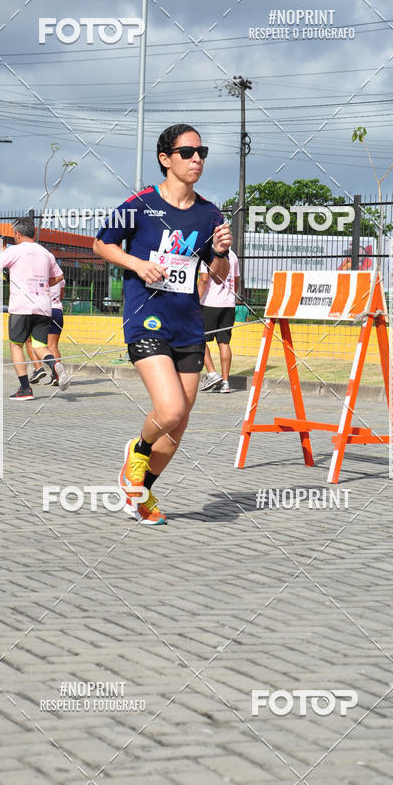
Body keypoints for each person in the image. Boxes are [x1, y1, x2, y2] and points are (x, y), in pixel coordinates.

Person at [93, 123, 232, 525]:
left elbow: (218, 275)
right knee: (168, 410)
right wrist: (137, 263)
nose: (196, 159)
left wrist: (220, 251)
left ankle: (140, 494)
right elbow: (101, 244)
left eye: (201, 152)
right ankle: (136, 452)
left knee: (178, 423)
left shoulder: (209, 213)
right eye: (187, 153)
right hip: (146, 319)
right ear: (165, 158)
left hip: (188, 325)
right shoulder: (141, 204)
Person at [0, 218, 70, 400]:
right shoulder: (46, 253)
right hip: (43, 306)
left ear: (17, 234)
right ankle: (54, 365)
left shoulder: (14, 251)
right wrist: (45, 285)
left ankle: (25, 389)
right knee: (40, 346)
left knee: (16, 345)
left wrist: (1, 261)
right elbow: (59, 275)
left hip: (21, 307)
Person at [198, 247, 240, 393]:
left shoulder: (208, 254)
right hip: (228, 304)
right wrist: (232, 296)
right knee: (224, 342)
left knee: (198, 339)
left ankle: (212, 373)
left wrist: (195, 301)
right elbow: (236, 279)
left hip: (210, 303)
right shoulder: (233, 255)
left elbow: (204, 279)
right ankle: (226, 382)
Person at [25, 278, 65, 385]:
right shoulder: (59, 276)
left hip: (40, 310)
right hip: (56, 310)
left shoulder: (37, 275)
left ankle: (38, 368)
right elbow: (61, 296)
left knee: (29, 340)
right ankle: (57, 375)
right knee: (53, 346)